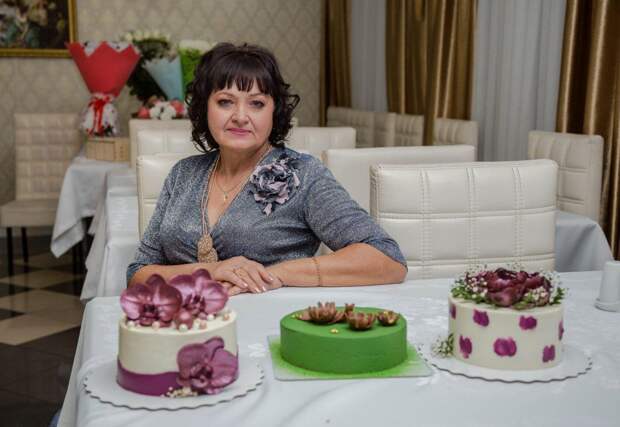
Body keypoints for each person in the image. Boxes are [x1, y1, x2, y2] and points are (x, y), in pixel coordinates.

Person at [127, 42, 407, 296]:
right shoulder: (183, 173)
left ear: (274, 111)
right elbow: (138, 275)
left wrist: (276, 275)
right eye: (225, 101)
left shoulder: (303, 174)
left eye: (257, 104)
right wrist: (211, 272)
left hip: (268, 322)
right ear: (205, 107)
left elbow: (387, 258)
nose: (240, 116)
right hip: (181, 322)